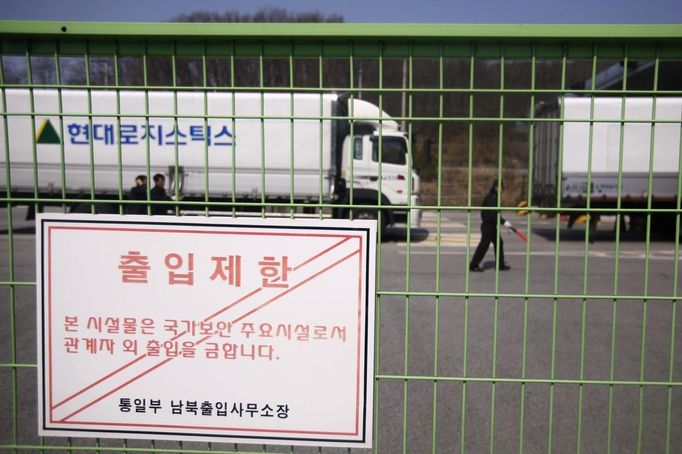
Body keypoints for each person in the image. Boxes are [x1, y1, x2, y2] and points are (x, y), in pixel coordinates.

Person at [469, 179, 512, 272]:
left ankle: (500, 265)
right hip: (488, 226)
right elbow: (493, 214)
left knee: (499, 243)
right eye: (500, 187)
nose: (501, 189)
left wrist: (502, 221)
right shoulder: (491, 197)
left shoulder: (494, 196)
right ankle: (473, 265)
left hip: (492, 226)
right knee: (484, 246)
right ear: (496, 187)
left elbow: (495, 214)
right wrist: (504, 222)